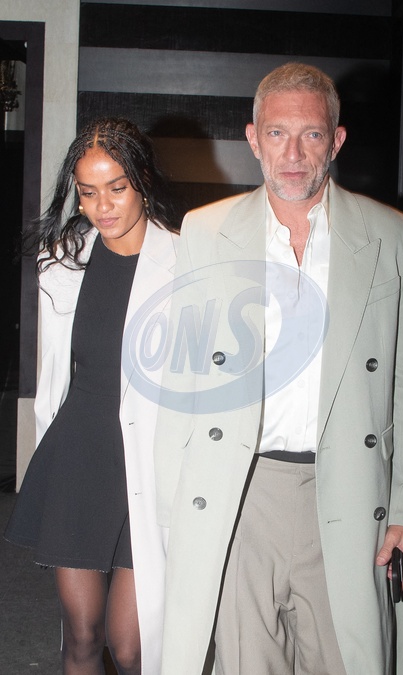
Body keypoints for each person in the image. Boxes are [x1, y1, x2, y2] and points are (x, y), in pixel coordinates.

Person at [153, 63, 403, 674]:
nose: (293, 154)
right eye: (277, 133)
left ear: (335, 141)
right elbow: (183, 386)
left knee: (345, 659)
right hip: (239, 491)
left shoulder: (391, 235)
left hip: (347, 489)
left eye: (311, 134)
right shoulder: (205, 232)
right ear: (253, 139)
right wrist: (173, 510)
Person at [5, 117, 180, 674]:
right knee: (81, 635)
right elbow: (55, 373)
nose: (102, 206)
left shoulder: (186, 261)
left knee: (130, 645)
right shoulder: (63, 259)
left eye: (116, 187)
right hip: (79, 454)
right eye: (87, 191)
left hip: (148, 463)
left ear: (142, 179)